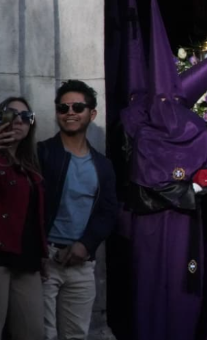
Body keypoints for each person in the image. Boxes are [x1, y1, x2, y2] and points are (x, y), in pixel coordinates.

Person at [124, 0, 207, 340]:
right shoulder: (145, 132)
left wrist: (198, 184)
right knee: (149, 283)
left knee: (183, 283)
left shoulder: (195, 129)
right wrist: (188, 186)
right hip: (151, 225)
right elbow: (143, 184)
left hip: (185, 224)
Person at [38, 81, 118, 340]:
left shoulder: (103, 165)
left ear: (91, 113)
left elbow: (108, 212)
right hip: (44, 260)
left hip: (82, 263)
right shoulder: (42, 153)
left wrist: (86, 244)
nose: (69, 112)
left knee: (76, 336)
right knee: (41, 334)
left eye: (77, 107)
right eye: (63, 107)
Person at [0, 97, 45, 340]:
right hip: (1, 255)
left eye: (26, 117)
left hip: (27, 259)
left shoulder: (31, 165)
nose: (19, 120)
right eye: (11, 113)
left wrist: (42, 253)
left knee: (33, 333)